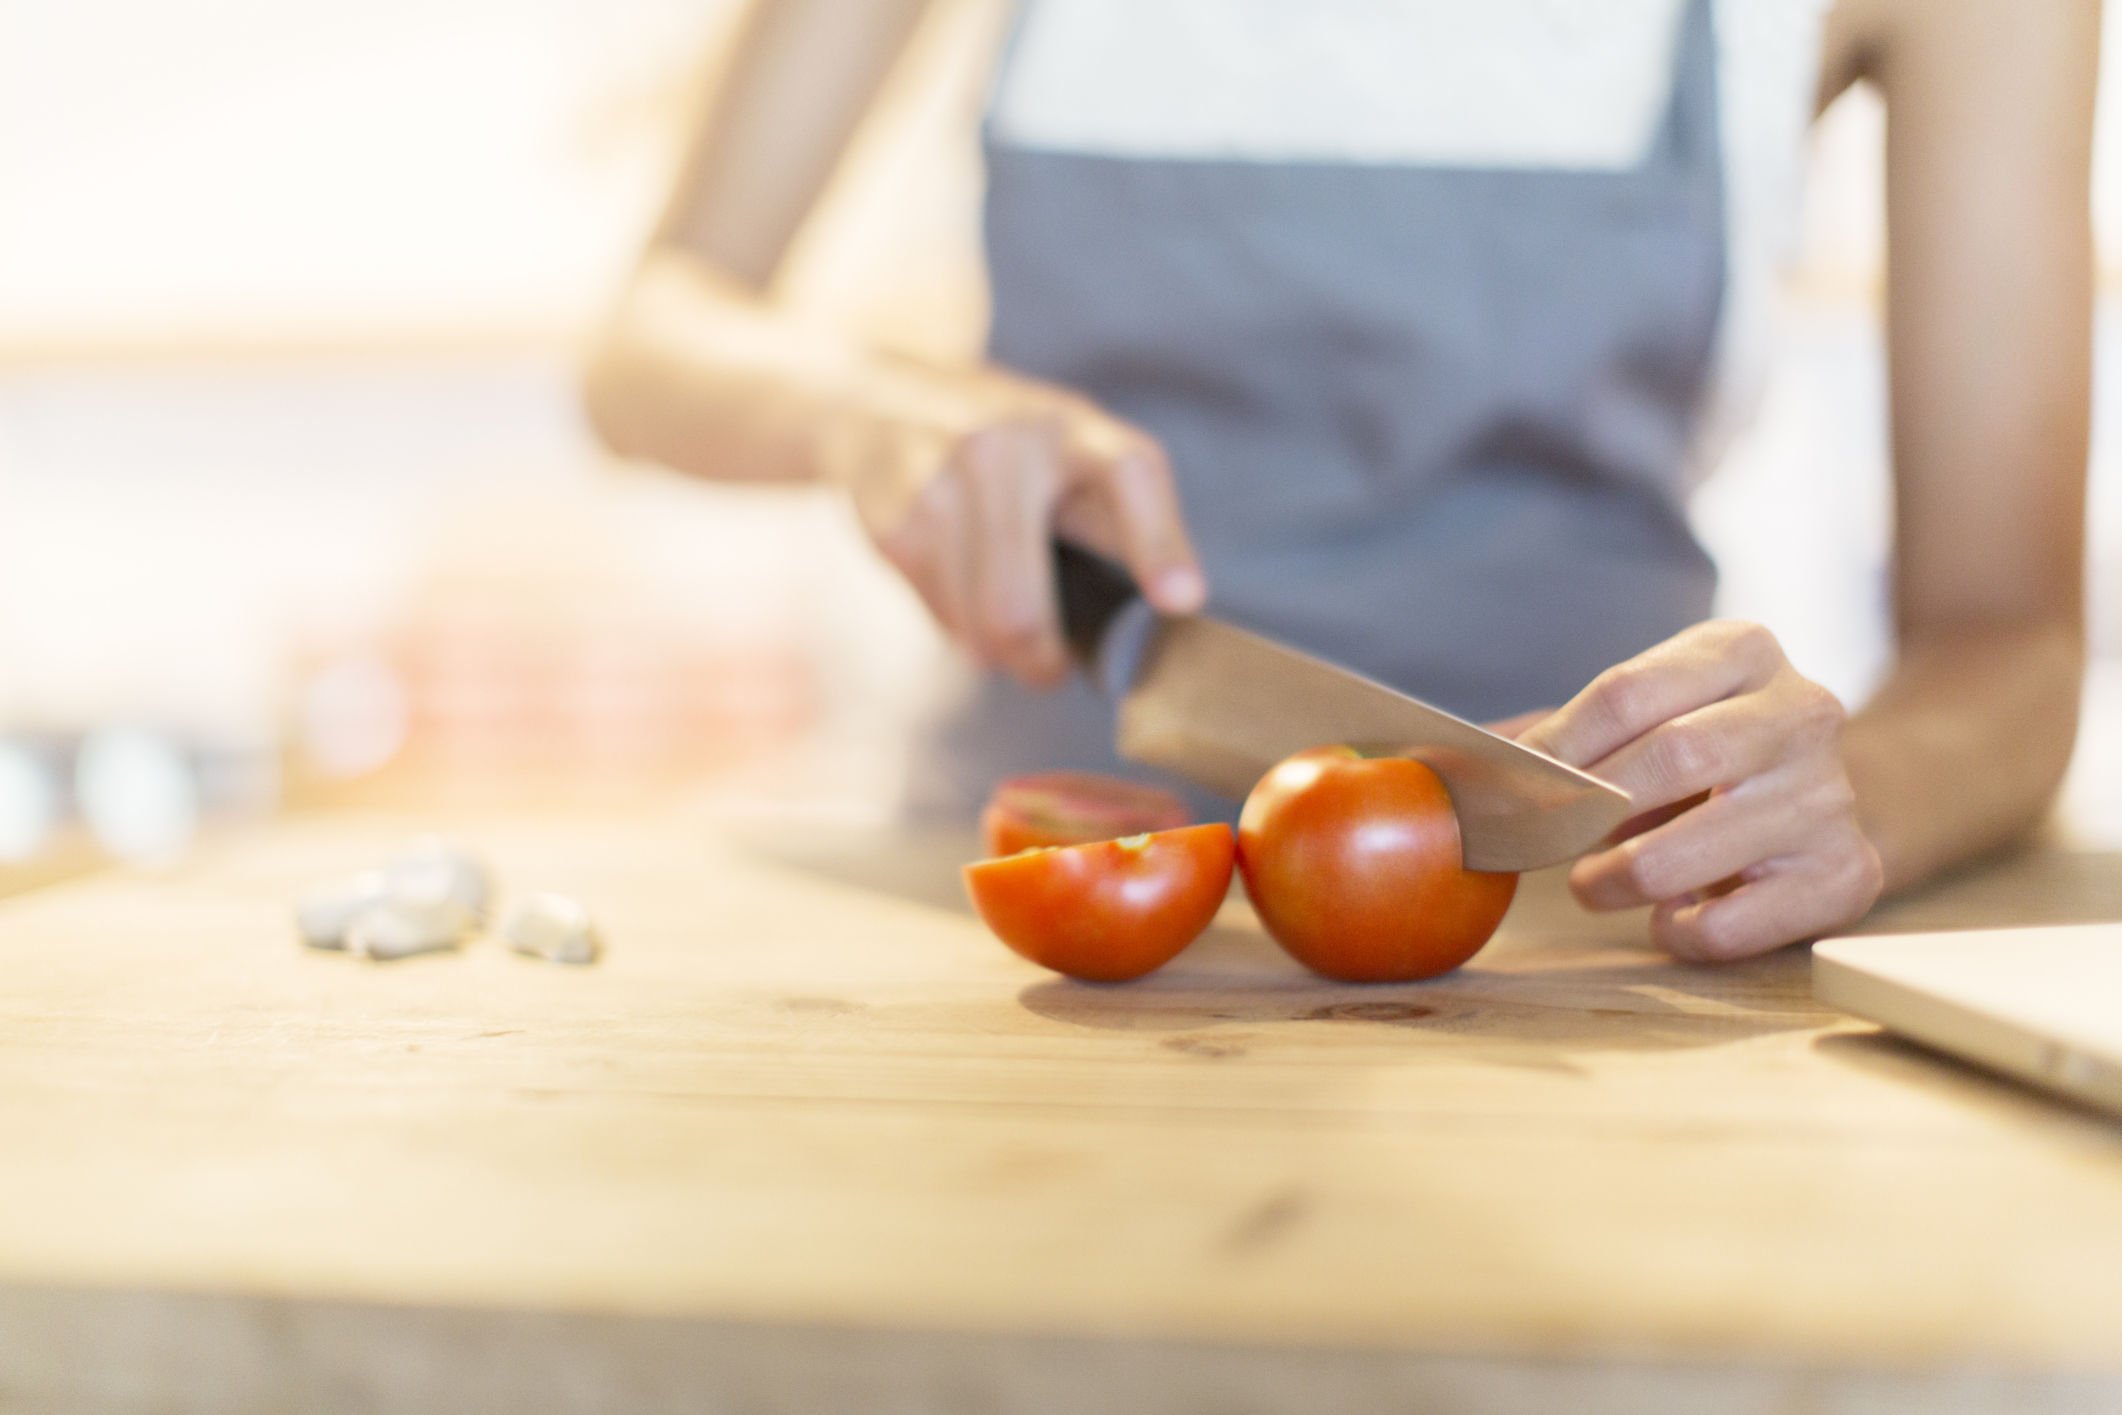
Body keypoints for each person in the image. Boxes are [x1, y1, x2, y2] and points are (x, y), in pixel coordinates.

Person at [584, 0, 2095, 962]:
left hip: (1595, 939)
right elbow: (653, 335)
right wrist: (869, 408)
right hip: (1018, 911)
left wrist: (1860, 797)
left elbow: (2007, 634)